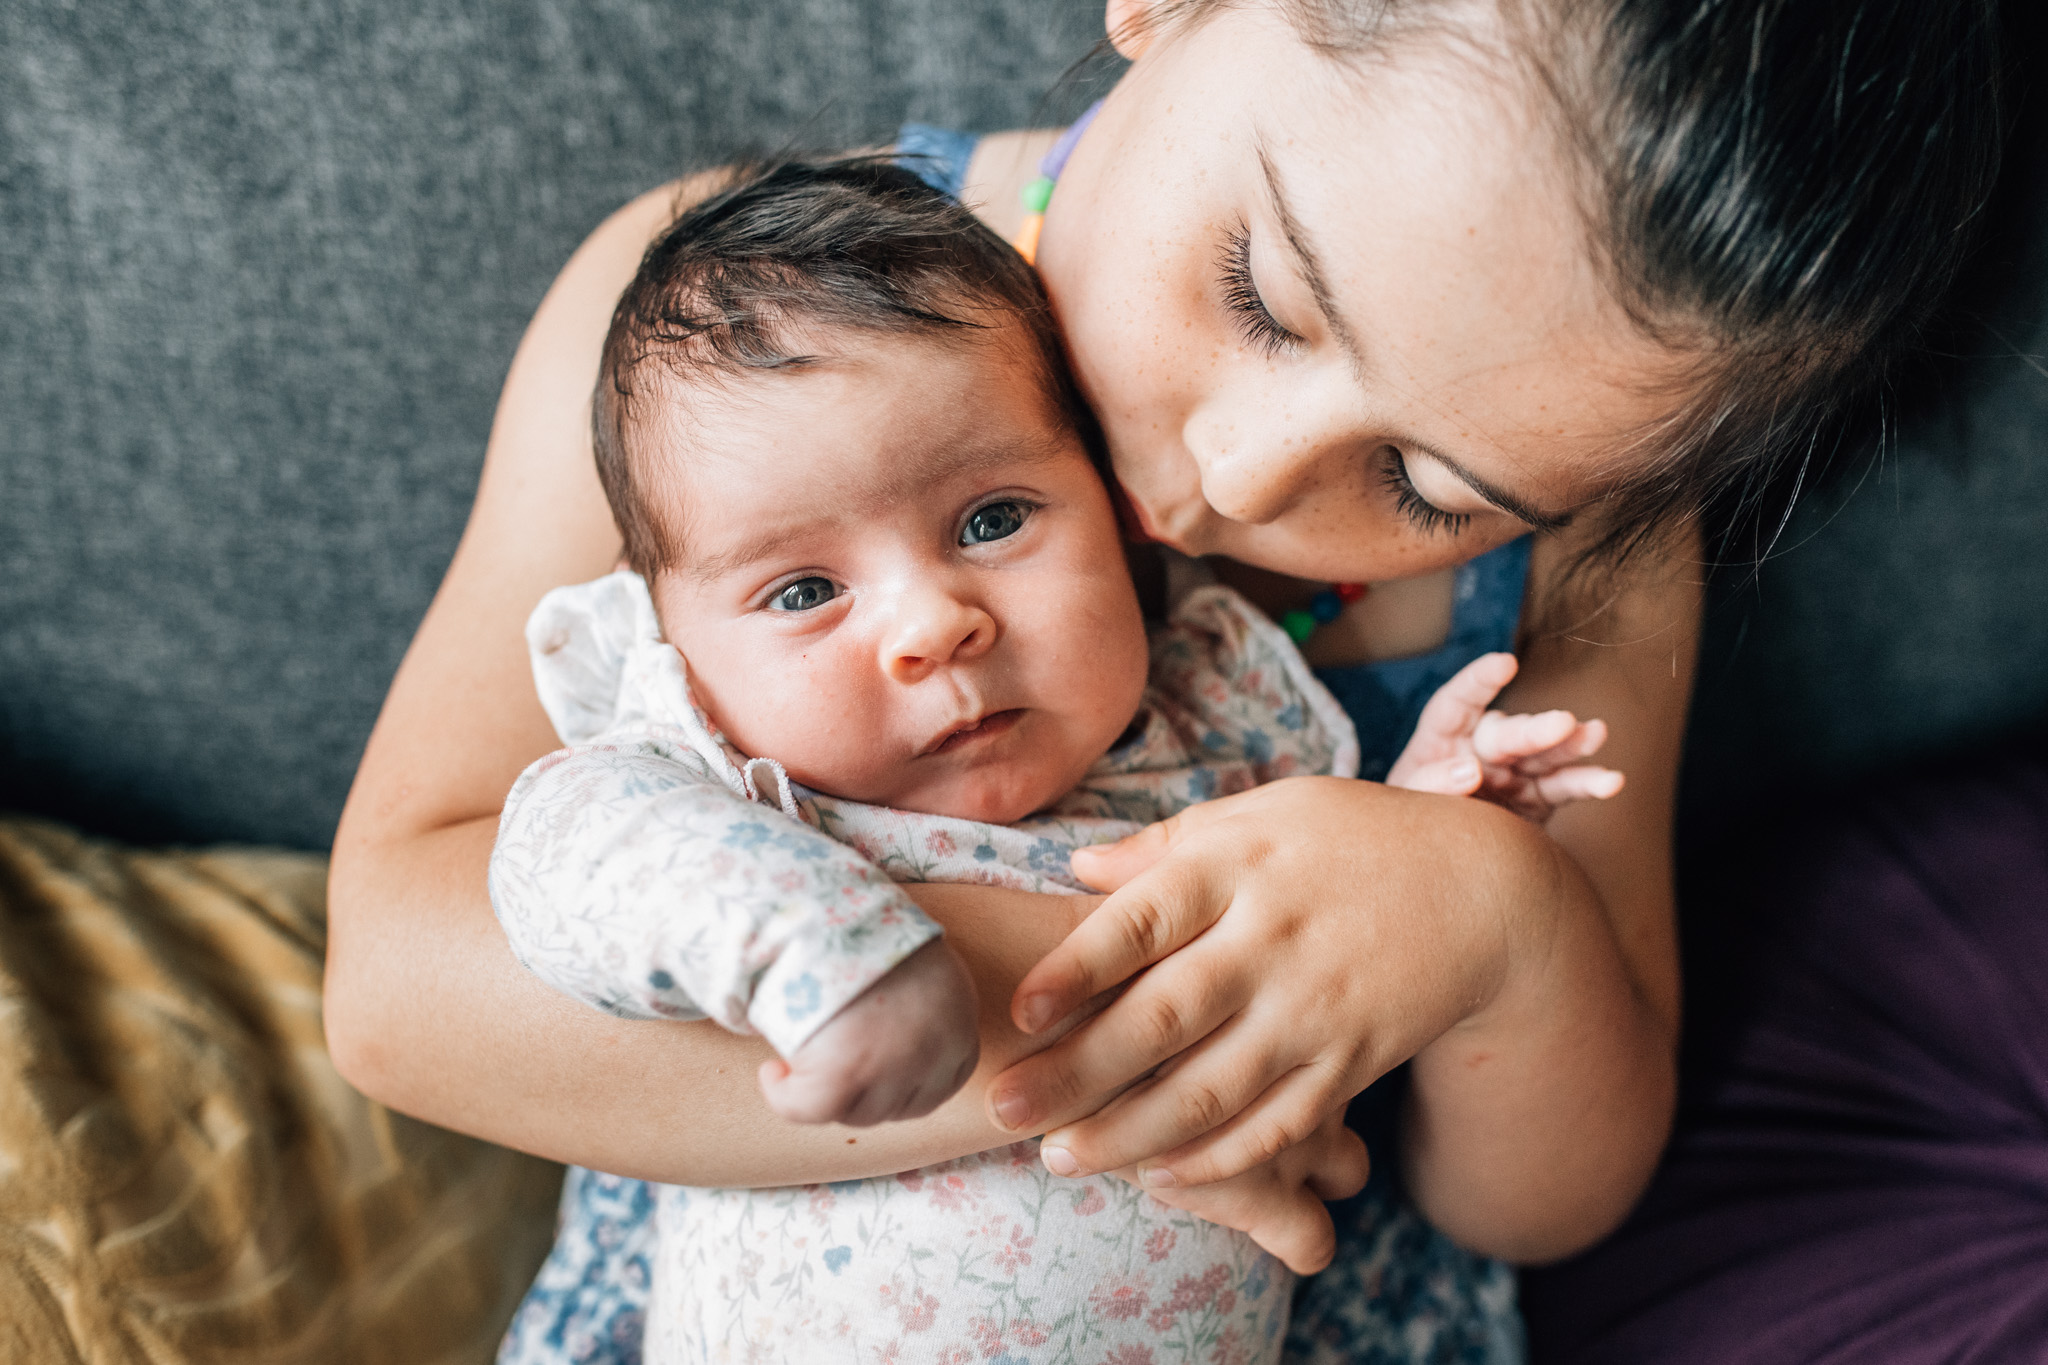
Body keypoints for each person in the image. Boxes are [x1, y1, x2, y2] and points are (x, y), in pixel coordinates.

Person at [324, 0, 2002, 1359]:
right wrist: (1192, 1021)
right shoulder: (718, 342)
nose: (1238, 478)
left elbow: (1540, 1201)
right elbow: (402, 991)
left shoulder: (1586, 553)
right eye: (1261, 297)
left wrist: (1494, 924)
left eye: (1431, 488)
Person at [491, 155, 1622, 1364]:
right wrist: (821, 952)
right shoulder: (712, 780)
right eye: (805, 591)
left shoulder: (1220, 723)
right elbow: (563, 843)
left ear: (1116, 515)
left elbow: (1328, 936)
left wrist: (1429, 830)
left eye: (991, 521)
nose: (933, 626)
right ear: (667, 641)